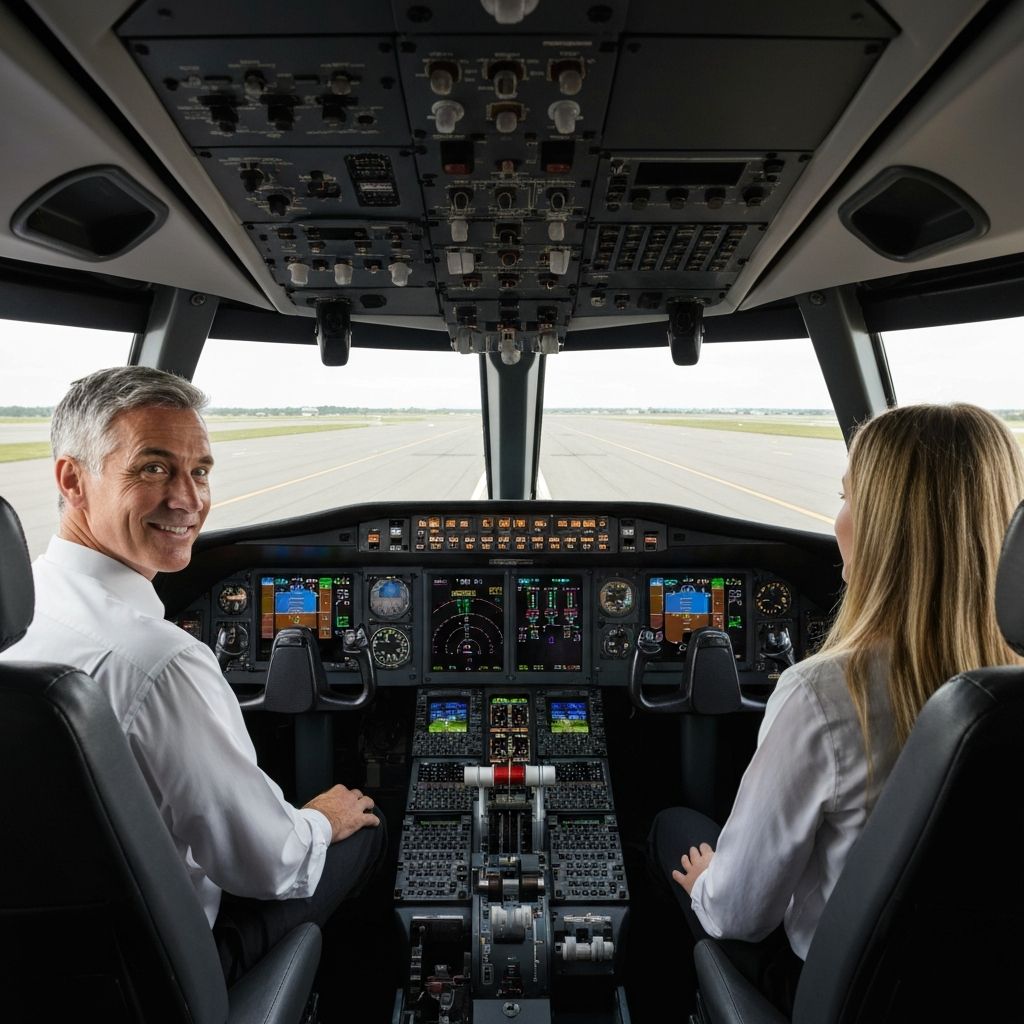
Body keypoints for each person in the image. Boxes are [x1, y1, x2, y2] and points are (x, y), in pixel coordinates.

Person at [0, 365, 386, 982]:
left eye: (199, 471)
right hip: (160, 968)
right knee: (363, 826)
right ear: (73, 479)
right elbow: (271, 864)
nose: (188, 499)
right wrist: (321, 818)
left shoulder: (25, 608)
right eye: (153, 468)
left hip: (40, 957)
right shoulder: (159, 663)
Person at [648, 402, 1024, 1010]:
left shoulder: (823, 694)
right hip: (987, 991)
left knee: (675, 831)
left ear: (886, 527)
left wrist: (707, 885)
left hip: (843, 992)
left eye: (847, 499)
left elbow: (738, 914)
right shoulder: (1007, 699)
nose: (836, 520)